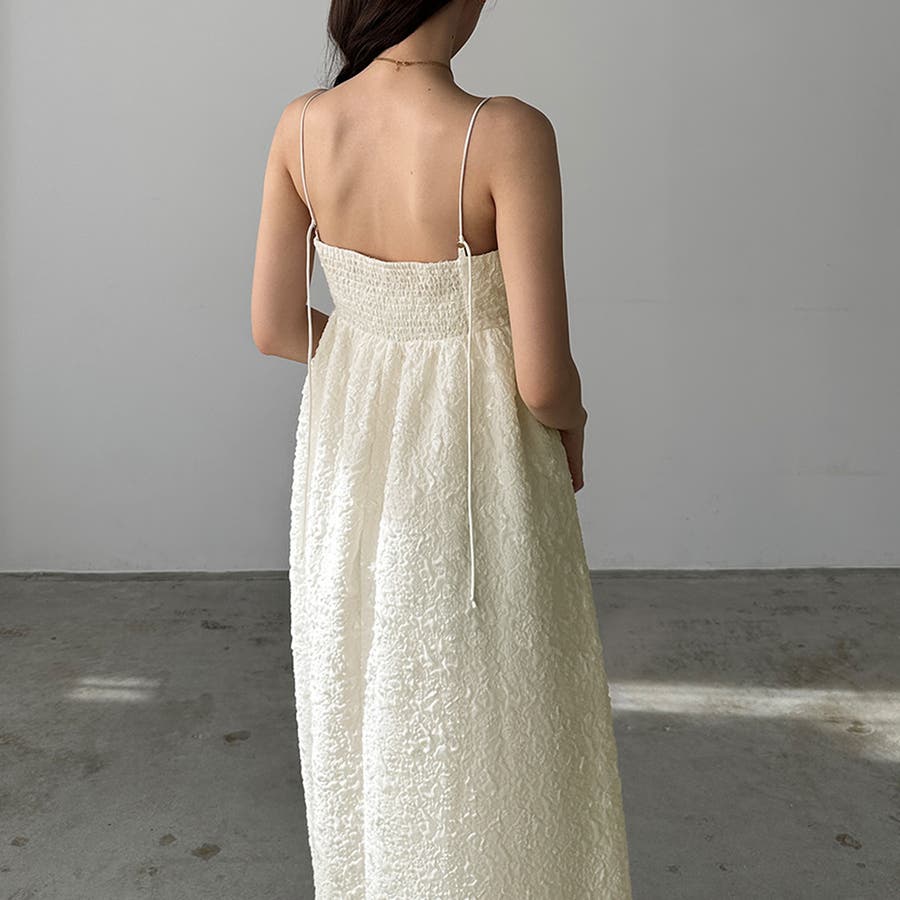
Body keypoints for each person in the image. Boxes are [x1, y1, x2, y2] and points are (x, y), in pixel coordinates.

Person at [250, 1, 633, 896]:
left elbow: (274, 327)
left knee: (370, 689)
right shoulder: (505, 133)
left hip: (349, 462)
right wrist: (575, 422)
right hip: (474, 456)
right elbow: (542, 379)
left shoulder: (302, 127)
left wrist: (376, 351)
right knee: (498, 701)